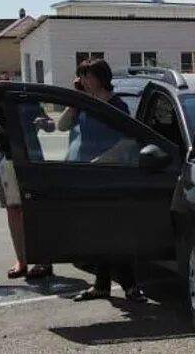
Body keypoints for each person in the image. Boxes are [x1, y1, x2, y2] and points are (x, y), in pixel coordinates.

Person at [56, 59, 146, 303]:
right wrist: (74, 100)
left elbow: (129, 140)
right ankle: (101, 286)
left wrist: (103, 159)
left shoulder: (117, 105)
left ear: (100, 78)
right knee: (96, 232)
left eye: (88, 76)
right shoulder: (83, 103)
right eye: (81, 76)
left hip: (111, 174)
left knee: (115, 231)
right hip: (86, 175)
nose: (83, 80)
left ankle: (131, 286)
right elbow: (61, 126)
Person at [0, 73, 54, 279]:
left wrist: (44, 123)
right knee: (14, 210)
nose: (6, 93)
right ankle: (22, 260)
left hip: (30, 156)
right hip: (3, 157)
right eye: (2, 91)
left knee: (35, 209)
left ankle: (43, 260)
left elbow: (51, 126)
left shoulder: (28, 101)